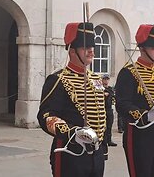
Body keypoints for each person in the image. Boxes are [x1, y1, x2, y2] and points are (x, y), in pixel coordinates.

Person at [37, 22, 107, 177]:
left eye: (92, 46)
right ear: (72, 51)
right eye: (85, 47)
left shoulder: (96, 79)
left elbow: (101, 116)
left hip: (96, 154)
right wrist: (72, 131)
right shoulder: (57, 79)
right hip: (70, 152)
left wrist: (103, 147)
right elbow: (46, 115)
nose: (91, 51)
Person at [115, 24, 154, 177]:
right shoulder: (128, 72)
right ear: (142, 48)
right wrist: (145, 115)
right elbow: (121, 104)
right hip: (139, 133)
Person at [102, 74, 117, 147]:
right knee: (103, 126)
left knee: (109, 125)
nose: (106, 80)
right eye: (104, 79)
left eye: (107, 79)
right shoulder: (100, 89)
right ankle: (103, 140)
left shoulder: (110, 89)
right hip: (102, 109)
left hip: (109, 109)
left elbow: (113, 96)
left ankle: (109, 140)